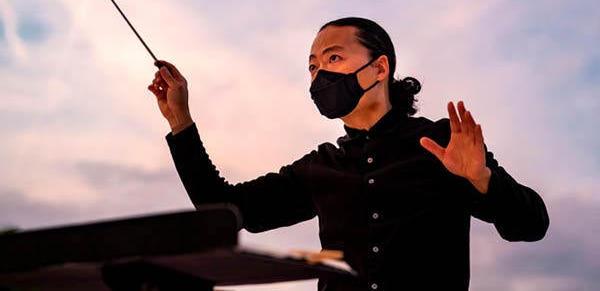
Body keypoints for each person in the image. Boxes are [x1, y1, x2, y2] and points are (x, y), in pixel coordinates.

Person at [147, 17, 549, 291]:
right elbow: (230, 209)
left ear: (380, 68)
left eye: (333, 58)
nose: (320, 75)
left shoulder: (442, 143)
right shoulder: (319, 167)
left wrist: (482, 180)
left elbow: (531, 224)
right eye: (312, 67)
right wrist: (180, 121)